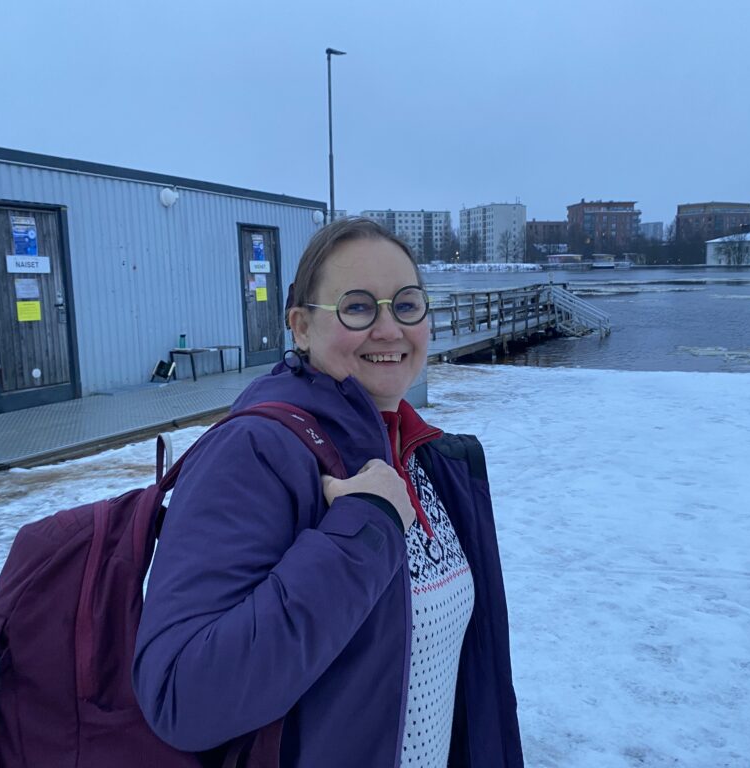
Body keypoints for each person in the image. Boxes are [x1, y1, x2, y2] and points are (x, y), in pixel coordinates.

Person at [133, 217, 523, 767]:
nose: (389, 329)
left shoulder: (425, 456)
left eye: (407, 305)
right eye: (357, 307)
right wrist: (362, 529)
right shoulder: (254, 453)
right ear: (300, 327)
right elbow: (181, 695)